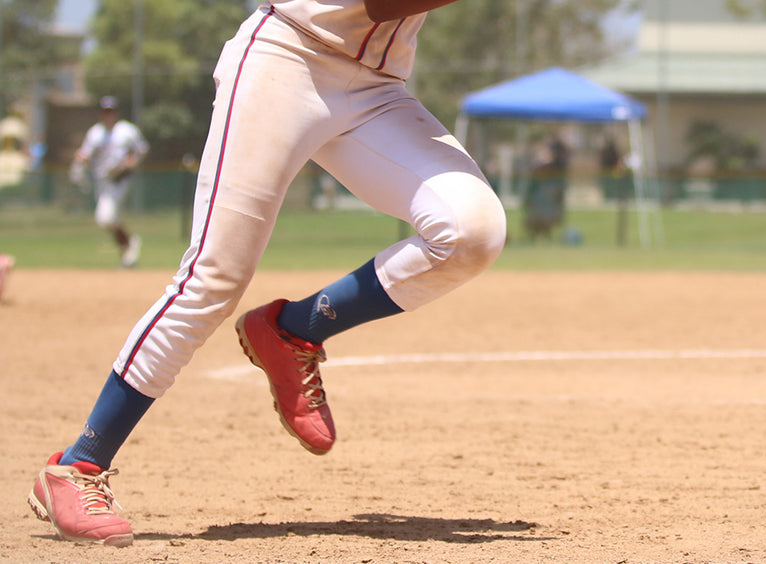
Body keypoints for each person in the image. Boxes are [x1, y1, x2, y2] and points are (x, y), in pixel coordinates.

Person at [29, 0, 505, 547]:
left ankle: (294, 329)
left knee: (471, 231)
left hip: (377, 88)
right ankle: (78, 466)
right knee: (215, 277)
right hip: (287, 58)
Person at [70, 96, 149, 268]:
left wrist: (130, 162)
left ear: (117, 113)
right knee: (107, 219)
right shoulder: (95, 133)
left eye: (111, 111)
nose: (108, 115)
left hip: (119, 179)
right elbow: (86, 155)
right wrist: (80, 162)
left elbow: (141, 150)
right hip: (101, 180)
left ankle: (129, 244)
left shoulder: (127, 130)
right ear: (101, 113)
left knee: (105, 218)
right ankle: (129, 245)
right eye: (105, 111)